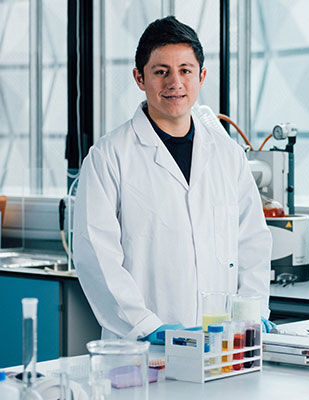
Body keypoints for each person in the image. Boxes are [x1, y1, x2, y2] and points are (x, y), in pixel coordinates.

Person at [73, 16, 274, 343]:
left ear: (202, 76)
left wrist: (252, 313)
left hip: (221, 344)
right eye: (160, 71)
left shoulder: (227, 154)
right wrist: (145, 326)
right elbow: (96, 255)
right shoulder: (109, 156)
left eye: (185, 70)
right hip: (141, 349)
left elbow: (252, 242)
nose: (175, 83)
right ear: (139, 77)